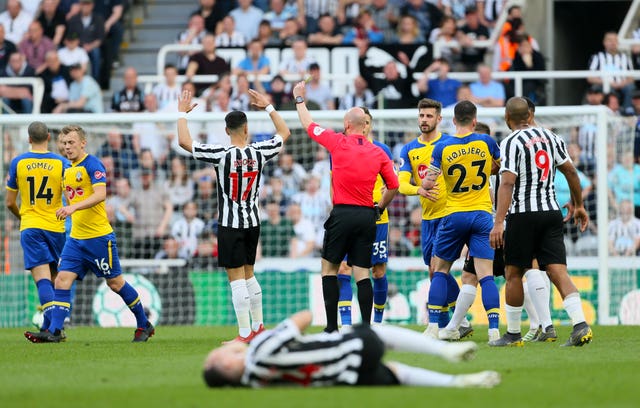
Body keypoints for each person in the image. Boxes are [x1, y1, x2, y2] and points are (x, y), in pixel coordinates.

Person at [177, 87, 291, 343]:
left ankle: (243, 334)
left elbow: (184, 142)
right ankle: (259, 328)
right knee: (249, 274)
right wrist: (269, 106)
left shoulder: (221, 155)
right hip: (253, 222)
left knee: (236, 279)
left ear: (227, 131)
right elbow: (285, 133)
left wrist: (182, 114)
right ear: (247, 129)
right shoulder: (259, 152)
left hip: (230, 224)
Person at [24, 124, 155, 343]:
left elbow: (101, 194)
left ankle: (144, 324)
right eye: (64, 143)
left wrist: (73, 208)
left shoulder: (93, 164)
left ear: (83, 143)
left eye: (71, 143)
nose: (67, 147)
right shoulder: (67, 169)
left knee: (115, 283)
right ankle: (54, 331)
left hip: (99, 239)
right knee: (62, 280)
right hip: (76, 239)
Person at [292, 80, 399, 333]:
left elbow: (309, 125)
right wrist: (380, 208)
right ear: (366, 127)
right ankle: (365, 329)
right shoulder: (378, 153)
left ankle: (331, 328)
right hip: (366, 216)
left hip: (342, 214)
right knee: (363, 272)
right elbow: (393, 185)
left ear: (347, 125)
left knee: (330, 268)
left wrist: (299, 99)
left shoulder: (337, 143)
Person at [489, 96, 593, 347]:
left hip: (522, 215)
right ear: (530, 116)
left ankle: (513, 334)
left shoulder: (511, 142)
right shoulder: (552, 137)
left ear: (507, 118)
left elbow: (507, 182)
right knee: (557, 270)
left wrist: (499, 222)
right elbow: (570, 170)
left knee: (512, 272)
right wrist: (578, 204)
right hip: (551, 212)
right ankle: (580, 324)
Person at [202, 309, 500, 388]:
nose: (232, 349)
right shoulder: (259, 349)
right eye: (221, 355)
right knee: (372, 331)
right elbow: (303, 318)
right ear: (227, 367)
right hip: (346, 349)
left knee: (396, 373)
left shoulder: (254, 383)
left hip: (341, 375)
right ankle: (441, 351)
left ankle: (458, 382)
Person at [421, 100, 502, 343]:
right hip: (482, 214)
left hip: (454, 214)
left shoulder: (442, 147)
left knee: (440, 270)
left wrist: (428, 182)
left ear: (453, 121)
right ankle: (494, 331)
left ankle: (433, 328)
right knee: (486, 275)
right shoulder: (486, 142)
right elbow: (499, 167)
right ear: (475, 121)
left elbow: (429, 183)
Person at [398, 98, 472, 338]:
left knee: (435, 268)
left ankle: (439, 325)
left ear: (439, 119)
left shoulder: (449, 144)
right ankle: (461, 320)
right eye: (421, 116)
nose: (424, 120)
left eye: (429, 116)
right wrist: (418, 190)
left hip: (449, 215)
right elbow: (401, 184)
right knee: (435, 271)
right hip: (428, 219)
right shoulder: (409, 149)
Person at [6, 122, 69, 338]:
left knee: (42, 280)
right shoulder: (62, 163)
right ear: (49, 137)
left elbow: (9, 202)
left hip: (31, 226)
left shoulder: (18, 162)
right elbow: (71, 198)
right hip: (56, 227)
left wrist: (23, 216)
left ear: (29, 139)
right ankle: (50, 328)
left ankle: (52, 329)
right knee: (55, 278)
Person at [337, 107, 393, 327]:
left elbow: (392, 184)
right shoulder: (342, 148)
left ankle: (377, 323)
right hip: (349, 216)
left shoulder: (382, 150)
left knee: (377, 271)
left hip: (377, 218)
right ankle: (346, 325)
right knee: (344, 268)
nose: (366, 126)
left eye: (369, 122)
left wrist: (380, 204)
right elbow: (334, 181)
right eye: (364, 121)